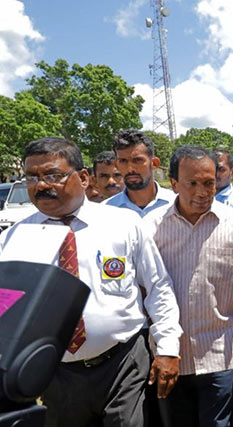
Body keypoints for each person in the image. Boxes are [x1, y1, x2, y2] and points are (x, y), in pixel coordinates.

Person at [0, 137, 182, 427]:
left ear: (83, 177)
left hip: (123, 364)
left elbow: (158, 287)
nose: (42, 185)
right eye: (32, 177)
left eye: (53, 175)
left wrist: (168, 347)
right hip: (55, 375)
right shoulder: (12, 239)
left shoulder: (123, 224)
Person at [144, 146, 233, 427]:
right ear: (173, 184)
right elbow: (144, 290)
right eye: (191, 183)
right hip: (171, 355)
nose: (201, 191)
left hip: (221, 352)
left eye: (208, 183)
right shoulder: (150, 228)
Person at [106, 129, 175, 216]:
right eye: (123, 161)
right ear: (116, 165)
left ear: (154, 163)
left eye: (137, 160)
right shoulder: (106, 211)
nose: (130, 169)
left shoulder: (177, 204)